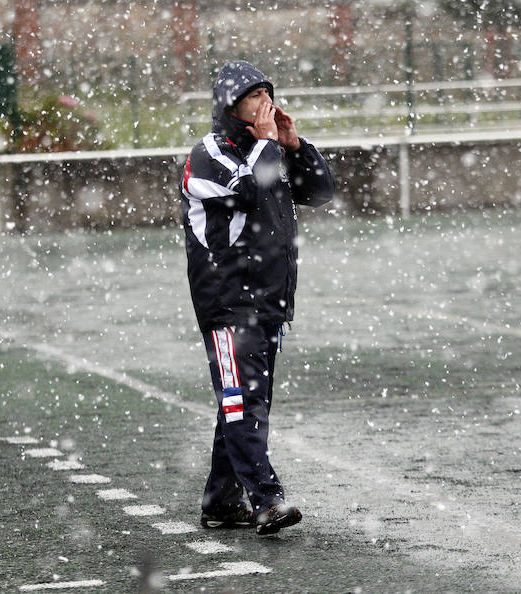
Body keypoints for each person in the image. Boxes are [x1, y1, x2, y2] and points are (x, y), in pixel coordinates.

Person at [179, 61, 335, 536]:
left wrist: (295, 145)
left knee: (247, 400)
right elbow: (247, 189)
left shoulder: (268, 150)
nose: (266, 104)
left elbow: (320, 192)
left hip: (268, 299)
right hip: (227, 301)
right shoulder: (209, 153)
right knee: (241, 399)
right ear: (231, 105)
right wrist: (269, 145)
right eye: (254, 97)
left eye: (269, 94)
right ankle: (266, 499)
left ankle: (222, 501)